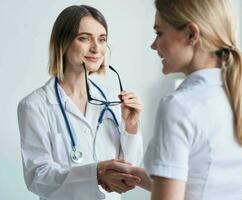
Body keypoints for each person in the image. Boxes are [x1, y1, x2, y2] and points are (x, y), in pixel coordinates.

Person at [103, 0, 242, 199]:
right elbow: (201, 181)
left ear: (191, 34)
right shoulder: (232, 95)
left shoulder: (179, 106)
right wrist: (133, 174)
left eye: (159, 33)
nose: (153, 45)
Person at [17, 5, 143, 200]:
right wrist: (95, 173)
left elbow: (128, 170)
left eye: (102, 39)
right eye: (84, 38)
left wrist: (131, 127)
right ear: (63, 42)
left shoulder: (113, 100)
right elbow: (37, 178)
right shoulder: (35, 106)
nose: (96, 48)